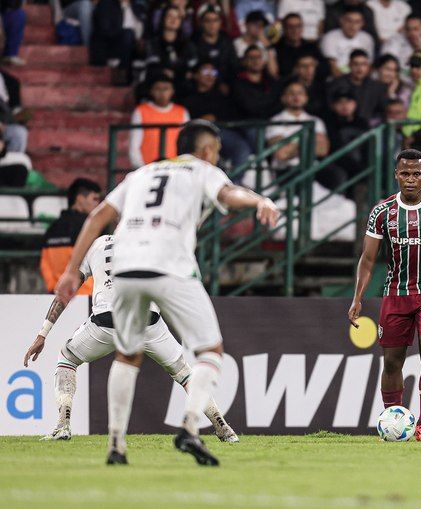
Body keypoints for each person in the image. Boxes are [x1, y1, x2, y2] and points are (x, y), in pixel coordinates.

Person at [53, 120, 280, 466]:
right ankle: (189, 428)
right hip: (170, 264)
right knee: (210, 350)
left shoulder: (141, 173)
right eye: (216, 151)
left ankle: (116, 446)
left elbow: (98, 216)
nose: (216, 157)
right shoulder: (203, 170)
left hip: (126, 268)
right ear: (206, 151)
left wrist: (71, 271)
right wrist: (259, 200)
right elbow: (228, 195)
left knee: (127, 355)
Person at [24, 235, 238, 444]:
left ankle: (62, 425)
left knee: (67, 358)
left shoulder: (95, 244)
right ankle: (223, 427)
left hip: (107, 321)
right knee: (185, 373)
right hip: (148, 321)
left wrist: (43, 334)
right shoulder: (149, 241)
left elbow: (67, 289)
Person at [347, 149, 421, 443]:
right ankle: (393, 420)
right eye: (405, 174)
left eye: (416, 174)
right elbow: (367, 259)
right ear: (396, 175)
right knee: (392, 362)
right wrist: (357, 297)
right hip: (396, 294)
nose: (410, 179)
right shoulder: (382, 212)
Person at [40, 179, 101, 295]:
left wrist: (53, 289)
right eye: (95, 199)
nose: (97, 204)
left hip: (58, 294)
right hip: (87, 295)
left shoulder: (52, 229)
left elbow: (45, 264)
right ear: (80, 199)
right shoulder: (90, 228)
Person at [267, 82, 330, 172]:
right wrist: (308, 143)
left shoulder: (316, 121)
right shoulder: (275, 121)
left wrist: (292, 146)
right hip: (285, 170)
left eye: (300, 93)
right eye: (291, 93)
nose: (296, 96)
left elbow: (322, 150)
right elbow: (281, 153)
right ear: (283, 98)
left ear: (306, 98)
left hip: (313, 169)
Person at [129, 76, 190, 168]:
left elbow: (187, 145)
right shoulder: (141, 111)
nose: (162, 93)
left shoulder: (182, 112)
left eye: (166, 89)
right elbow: (134, 145)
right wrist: (142, 168)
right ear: (151, 91)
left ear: (172, 91)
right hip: (148, 168)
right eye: (157, 89)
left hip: (175, 169)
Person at [328, 49, 388, 123]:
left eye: (364, 64)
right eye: (356, 64)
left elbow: (383, 112)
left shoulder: (378, 87)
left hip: (371, 129)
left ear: (369, 67)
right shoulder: (336, 84)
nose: (360, 68)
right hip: (341, 127)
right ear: (349, 65)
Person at [320, 6, 376, 77]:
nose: (353, 26)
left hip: (361, 80)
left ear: (362, 23)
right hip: (338, 80)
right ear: (341, 21)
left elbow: (369, 66)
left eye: (357, 22)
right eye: (349, 21)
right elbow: (333, 69)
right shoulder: (330, 38)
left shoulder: (367, 39)